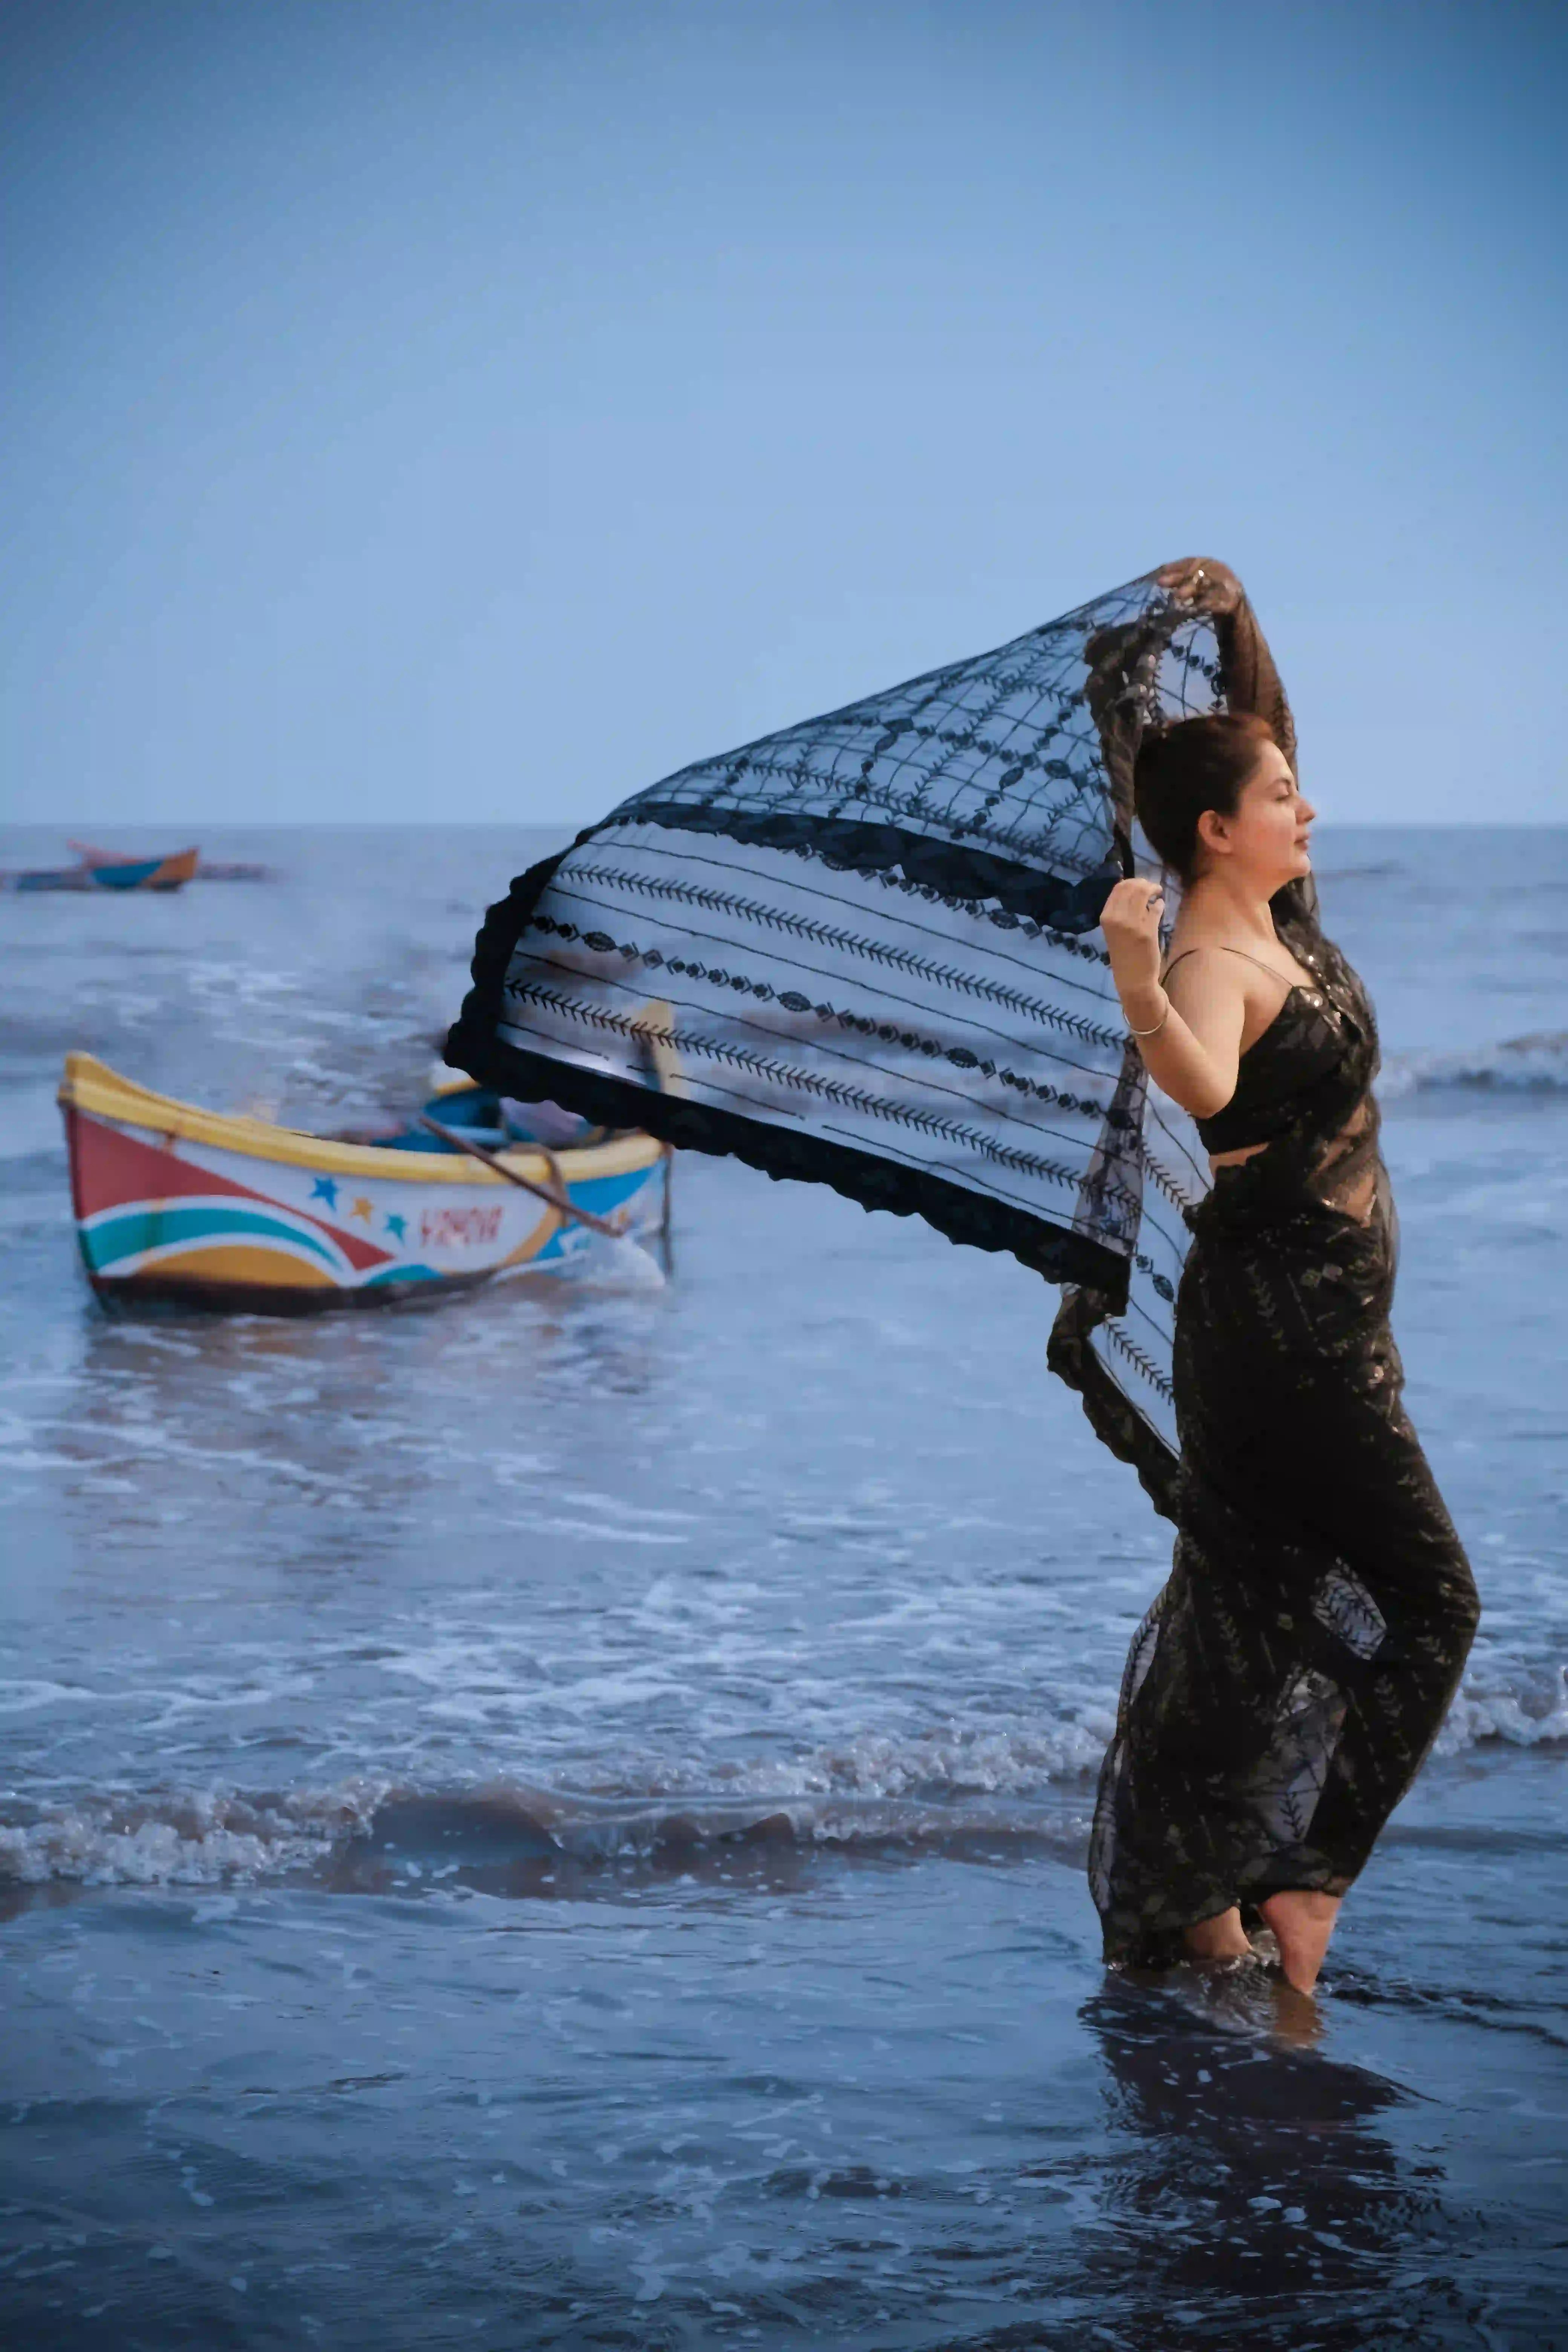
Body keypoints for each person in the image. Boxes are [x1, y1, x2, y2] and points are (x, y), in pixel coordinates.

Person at [1093, 561, 1480, 1995]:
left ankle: (1196, 1909)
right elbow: (1199, 1086)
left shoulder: (1282, 918)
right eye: (1280, 798)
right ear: (1217, 830)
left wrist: (1234, 616)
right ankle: (1304, 1886)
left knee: (1249, 1616)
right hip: (1283, 1337)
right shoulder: (1211, 950)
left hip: (1315, 1327)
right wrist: (1137, 973)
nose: (1304, 809)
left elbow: (1263, 730)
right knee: (1434, 1601)